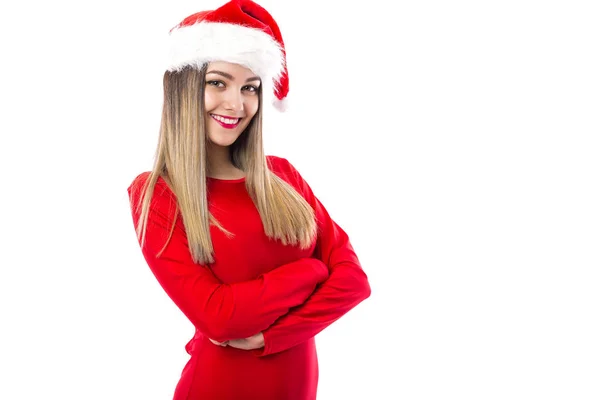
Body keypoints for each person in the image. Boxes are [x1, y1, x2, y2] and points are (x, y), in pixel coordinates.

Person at [126, 0, 371, 398]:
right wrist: (309, 273)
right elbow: (219, 318)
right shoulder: (157, 195)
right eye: (217, 82)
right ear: (184, 86)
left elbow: (354, 281)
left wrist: (270, 336)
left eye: (250, 88)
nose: (236, 104)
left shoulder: (283, 176)